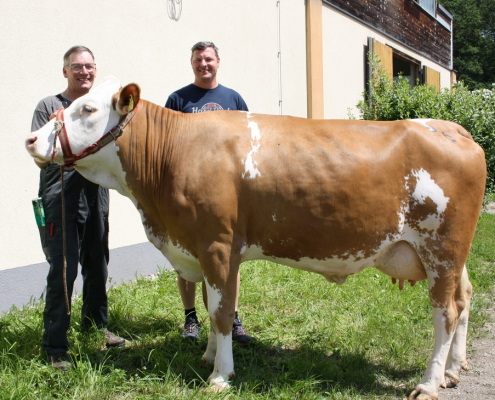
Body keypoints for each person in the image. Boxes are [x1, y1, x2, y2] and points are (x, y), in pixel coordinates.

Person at [31, 45, 126, 371]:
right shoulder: (49, 107)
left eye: (88, 66)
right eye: (77, 67)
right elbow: (41, 154)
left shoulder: (99, 107)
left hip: (95, 197)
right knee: (63, 271)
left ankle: (97, 329)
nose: (84, 72)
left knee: (97, 265)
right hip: (60, 200)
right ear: (66, 71)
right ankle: (56, 345)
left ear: (95, 71)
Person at [165, 41, 252, 345]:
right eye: (198, 60)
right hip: (188, 194)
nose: (204, 64)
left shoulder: (233, 98)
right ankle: (191, 318)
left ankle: (232, 315)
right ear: (192, 64)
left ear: (218, 61)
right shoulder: (178, 99)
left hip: (226, 194)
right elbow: (166, 145)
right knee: (189, 258)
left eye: (208, 59)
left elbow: (247, 144)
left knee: (228, 257)